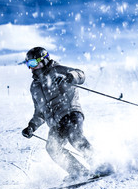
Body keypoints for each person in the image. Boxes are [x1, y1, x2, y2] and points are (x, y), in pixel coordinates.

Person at [21, 47, 93, 181]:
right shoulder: (34, 86)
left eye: (33, 63)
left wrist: (70, 77)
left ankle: (99, 162)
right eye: (28, 65)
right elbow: (40, 111)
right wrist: (32, 126)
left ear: (43, 60)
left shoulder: (57, 70)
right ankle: (79, 172)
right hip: (56, 122)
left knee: (75, 137)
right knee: (52, 148)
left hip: (70, 112)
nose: (31, 68)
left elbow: (80, 74)